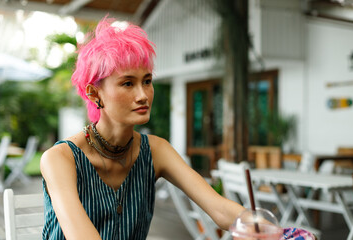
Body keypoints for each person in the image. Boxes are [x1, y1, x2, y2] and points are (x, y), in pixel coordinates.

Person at [40, 16, 246, 240]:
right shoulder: (59, 158)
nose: (143, 95)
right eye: (127, 83)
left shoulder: (155, 151)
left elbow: (219, 209)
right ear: (94, 93)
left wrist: (267, 229)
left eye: (147, 81)